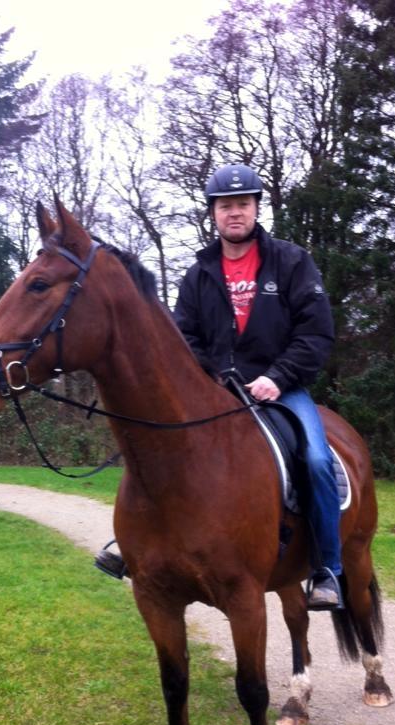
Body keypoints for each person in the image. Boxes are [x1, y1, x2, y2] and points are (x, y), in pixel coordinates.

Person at [96, 162, 343, 611]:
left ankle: (328, 568)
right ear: (213, 213)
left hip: (280, 390)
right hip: (216, 394)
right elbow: (182, 338)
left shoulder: (291, 262)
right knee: (157, 450)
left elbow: (316, 333)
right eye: (226, 206)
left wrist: (277, 377)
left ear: (256, 209)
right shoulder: (198, 274)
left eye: (243, 204)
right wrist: (207, 378)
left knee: (316, 459)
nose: (235, 213)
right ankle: (133, 543)